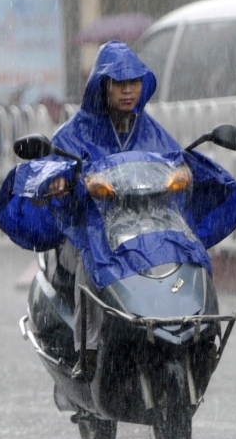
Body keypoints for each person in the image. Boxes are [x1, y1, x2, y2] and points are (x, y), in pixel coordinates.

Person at [50, 40, 182, 378]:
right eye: (119, 83)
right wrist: (65, 182)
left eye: (134, 82)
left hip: (142, 229)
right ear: (102, 86)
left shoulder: (151, 131)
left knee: (187, 252)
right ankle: (88, 350)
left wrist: (183, 174)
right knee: (91, 262)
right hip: (85, 232)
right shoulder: (73, 133)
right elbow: (52, 170)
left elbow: (174, 161)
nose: (127, 90)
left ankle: (192, 328)